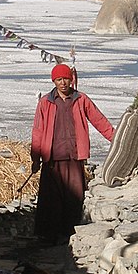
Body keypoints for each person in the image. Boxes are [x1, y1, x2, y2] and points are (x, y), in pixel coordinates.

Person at [29, 64, 115, 243]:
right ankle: (48, 236)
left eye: (66, 79)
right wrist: (35, 158)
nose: (63, 83)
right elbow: (37, 130)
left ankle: (70, 234)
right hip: (52, 158)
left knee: (74, 197)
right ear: (54, 81)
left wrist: (115, 139)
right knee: (51, 200)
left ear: (71, 80)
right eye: (59, 80)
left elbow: (98, 120)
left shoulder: (81, 99)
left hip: (74, 156)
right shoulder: (45, 102)